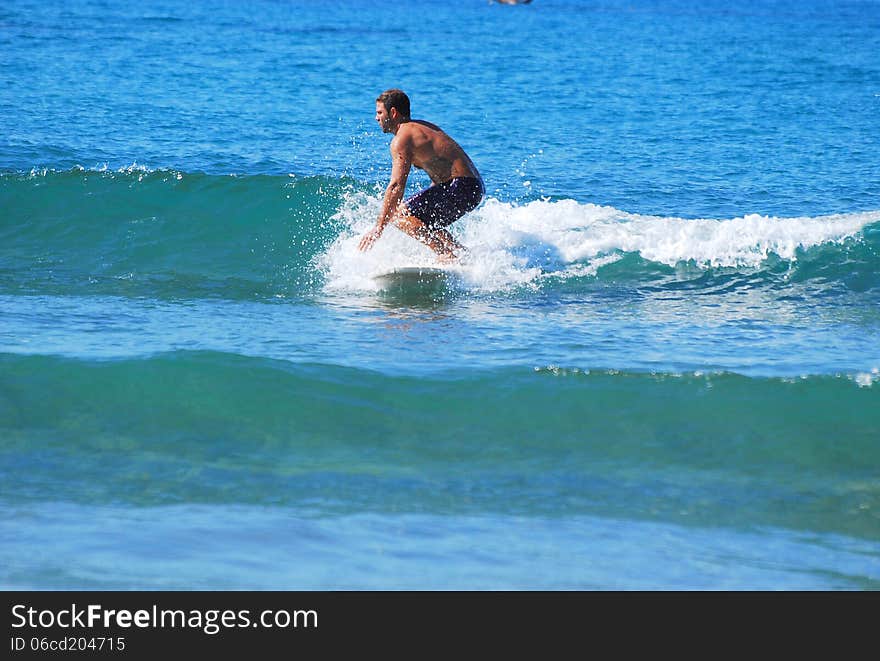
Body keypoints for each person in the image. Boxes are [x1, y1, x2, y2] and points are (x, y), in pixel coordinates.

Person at [358, 89, 484, 262]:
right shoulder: (420, 128)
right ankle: (461, 254)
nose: (376, 118)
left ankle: (445, 254)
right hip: (471, 187)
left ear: (393, 113)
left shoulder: (402, 139)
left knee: (397, 215)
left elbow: (396, 186)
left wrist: (378, 228)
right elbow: (441, 169)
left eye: (380, 112)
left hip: (462, 186)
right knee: (421, 218)